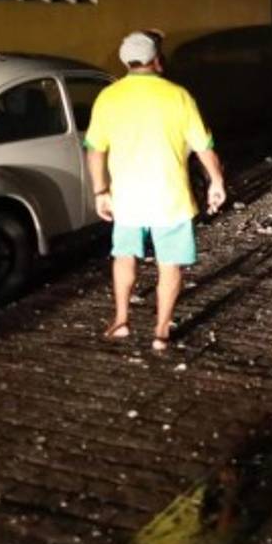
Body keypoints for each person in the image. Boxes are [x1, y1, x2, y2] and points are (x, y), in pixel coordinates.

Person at [85, 31, 226, 351]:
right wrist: (216, 181)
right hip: (170, 198)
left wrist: (100, 190)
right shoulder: (178, 96)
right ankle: (161, 331)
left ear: (126, 62)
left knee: (124, 257)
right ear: (157, 60)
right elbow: (204, 146)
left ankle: (121, 321)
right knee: (170, 263)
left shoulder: (108, 97)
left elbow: (95, 149)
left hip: (127, 198)